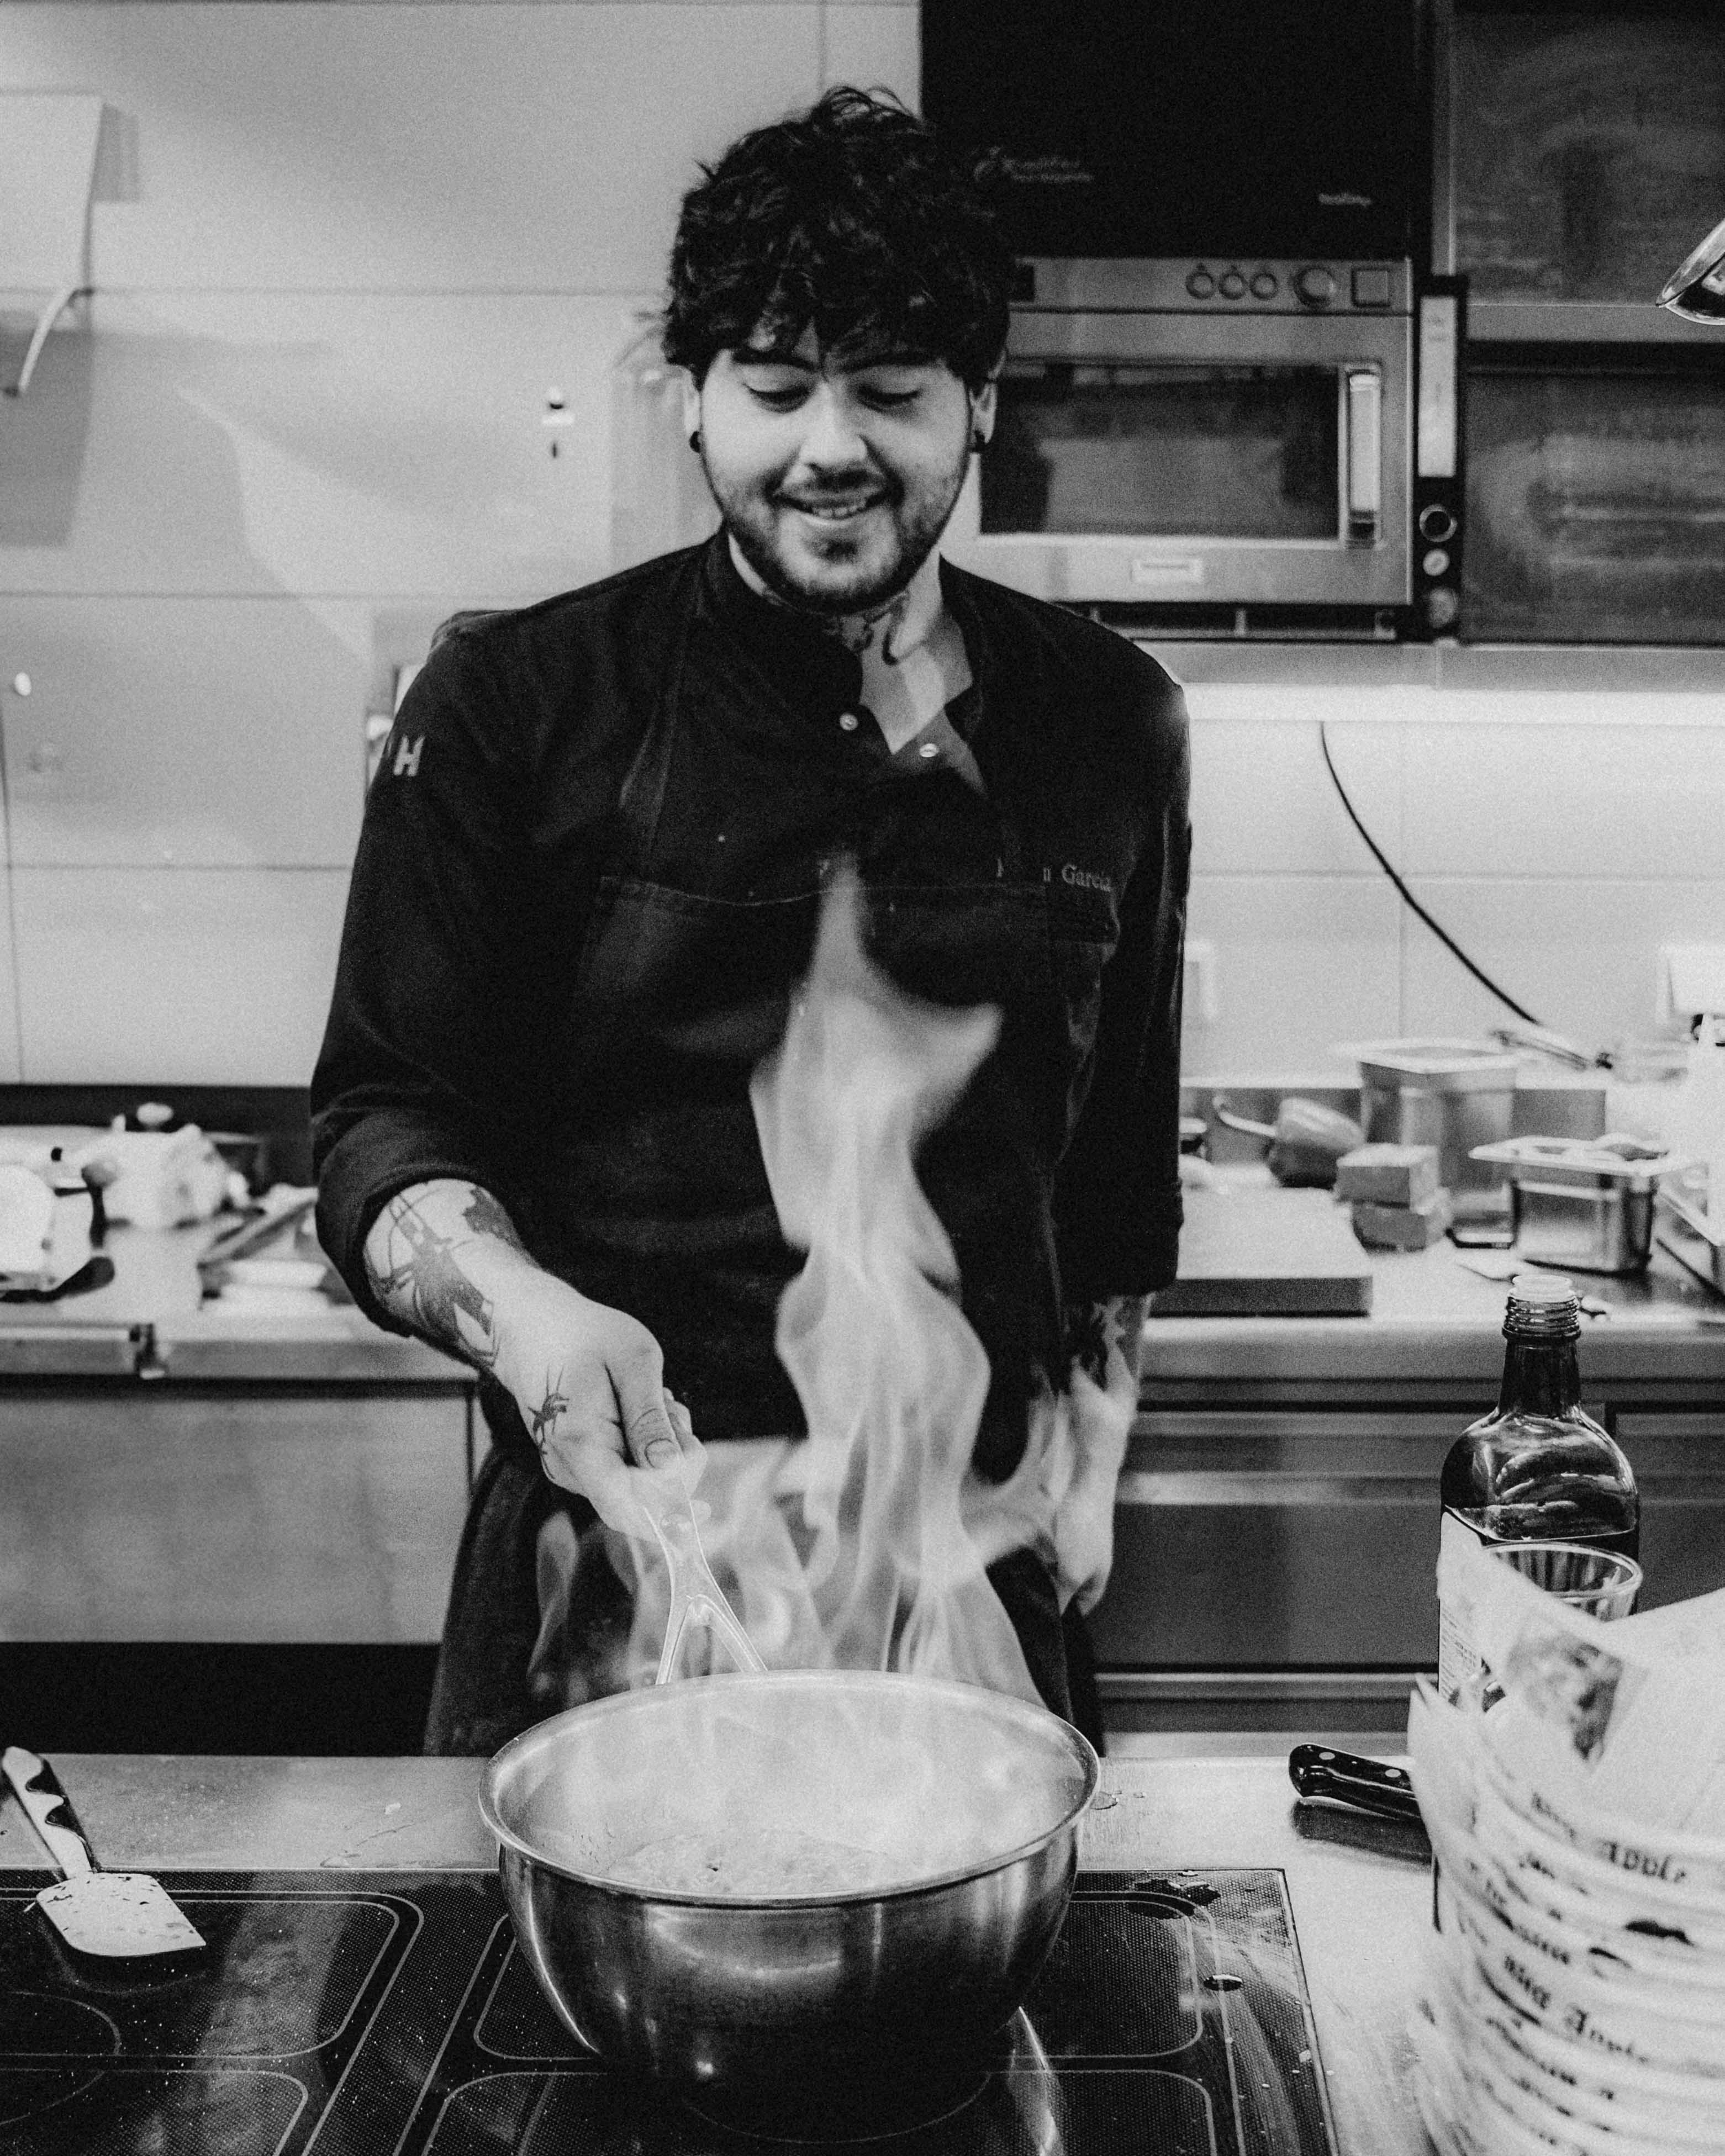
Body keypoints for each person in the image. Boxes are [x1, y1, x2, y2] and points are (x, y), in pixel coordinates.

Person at [311, 86, 1190, 1756]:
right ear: (696, 401)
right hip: (609, 1561)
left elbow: (1112, 1173)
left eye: (894, 390)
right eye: (777, 388)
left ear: (980, 404)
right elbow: (381, 1119)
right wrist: (520, 1311)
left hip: (963, 1576)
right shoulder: (519, 701)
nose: (832, 444)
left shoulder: (1105, 723)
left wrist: (1091, 1468)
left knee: (965, 1994)